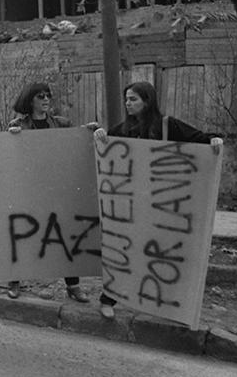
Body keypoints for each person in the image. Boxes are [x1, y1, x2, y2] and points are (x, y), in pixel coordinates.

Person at [93, 81, 223, 320]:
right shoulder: (122, 130)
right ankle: (108, 298)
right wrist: (100, 135)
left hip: (161, 205)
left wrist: (214, 140)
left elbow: (199, 139)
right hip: (131, 205)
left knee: (160, 253)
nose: (128, 104)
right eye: (126, 99)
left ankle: (164, 304)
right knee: (126, 251)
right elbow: (107, 152)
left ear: (147, 101)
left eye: (133, 99)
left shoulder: (167, 126)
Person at [5, 82, 90, 303]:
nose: (45, 100)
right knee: (22, 235)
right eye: (40, 96)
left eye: (47, 96)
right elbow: (9, 157)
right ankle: (14, 280)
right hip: (29, 189)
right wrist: (12, 138)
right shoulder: (17, 125)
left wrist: (87, 132)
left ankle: (73, 286)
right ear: (30, 100)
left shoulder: (62, 124)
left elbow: (73, 148)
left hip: (56, 189)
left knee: (64, 235)